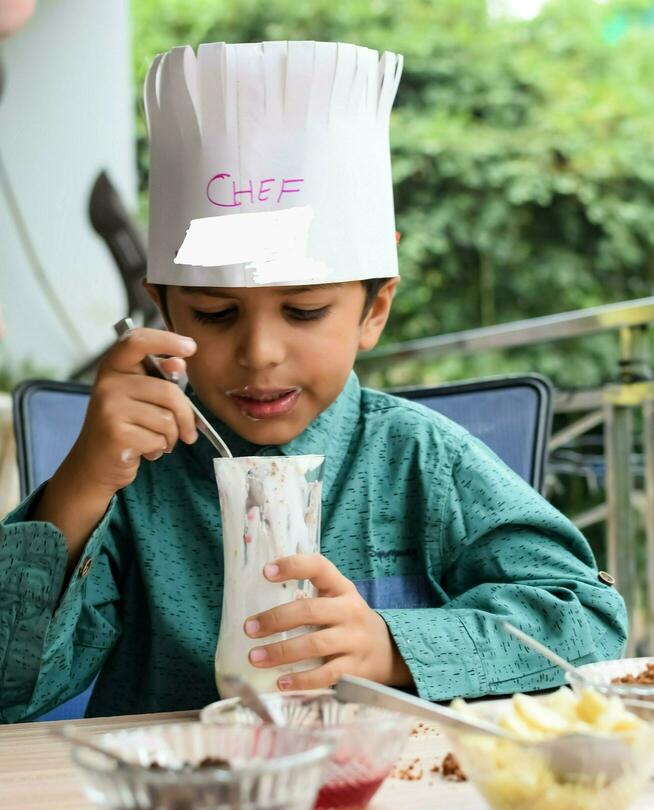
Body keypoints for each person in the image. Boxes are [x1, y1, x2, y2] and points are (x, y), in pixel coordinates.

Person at [0, 41, 625, 722]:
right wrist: (81, 486)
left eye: (303, 311)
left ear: (374, 309)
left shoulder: (422, 460)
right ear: (164, 308)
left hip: (390, 809)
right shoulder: (136, 485)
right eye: (215, 314)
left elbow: (587, 621)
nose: (261, 352)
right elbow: (10, 686)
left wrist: (395, 645)